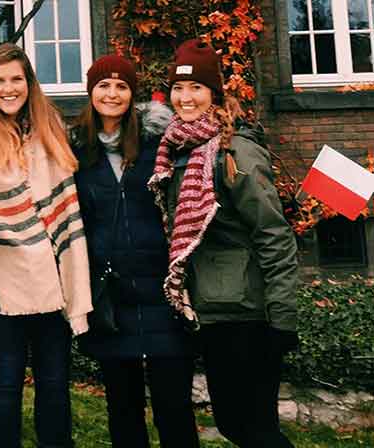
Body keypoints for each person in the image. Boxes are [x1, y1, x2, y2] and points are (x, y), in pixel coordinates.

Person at [148, 38, 299, 447]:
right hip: (213, 310)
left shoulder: (235, 151)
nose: (186, 97)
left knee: (253, 428)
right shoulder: (179, 147)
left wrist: (281, 318)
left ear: (214, 92)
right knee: (236, 424)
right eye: (178, 88)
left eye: (196, 87)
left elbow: (274, 233)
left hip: (247, 313)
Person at [0, 43, 92, 448]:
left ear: (29, 83)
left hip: (53, 271)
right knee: (6, 381)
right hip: (2, 276)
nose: (8, 88)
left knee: (54, 380)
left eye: (16, 79)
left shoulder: (52, 128)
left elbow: (69, 197)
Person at [71, 54, 199, 448]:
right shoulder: (75, 152)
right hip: (113, 297)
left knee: (173, 406)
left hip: (162, 293)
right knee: (122, 407)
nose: (112, 94)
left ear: (133, 94)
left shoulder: (159, 145)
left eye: (121, 86)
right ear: (91, 92)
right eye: (104, 85)